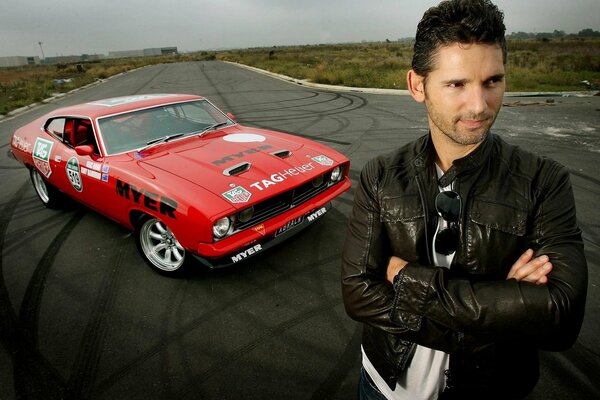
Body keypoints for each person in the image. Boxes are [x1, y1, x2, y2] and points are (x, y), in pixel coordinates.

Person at [340, 0, 588, 399]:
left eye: (492, 81)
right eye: (457, 84)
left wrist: (406, 278)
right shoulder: (381, 176)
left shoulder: (544, 181)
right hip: (384, 385)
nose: (480, 105)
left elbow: (561, 316)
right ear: (417, 85)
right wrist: (501, 310)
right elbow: (357, 294)